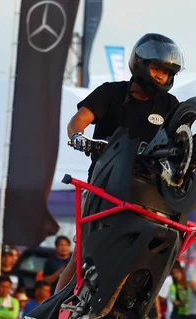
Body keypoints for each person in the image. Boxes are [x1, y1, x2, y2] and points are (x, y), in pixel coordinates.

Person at [55, 33, 184, 295]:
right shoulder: (111, 93)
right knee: (82, 252)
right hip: (106, 185)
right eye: (156, 68)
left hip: (150, 192)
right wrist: (78, 138)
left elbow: (183, 137)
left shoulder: (170, 105)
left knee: (156, 251)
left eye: (166, 72)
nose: (160, 76)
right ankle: (51, 317)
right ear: (140, 63)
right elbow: (77, 121)